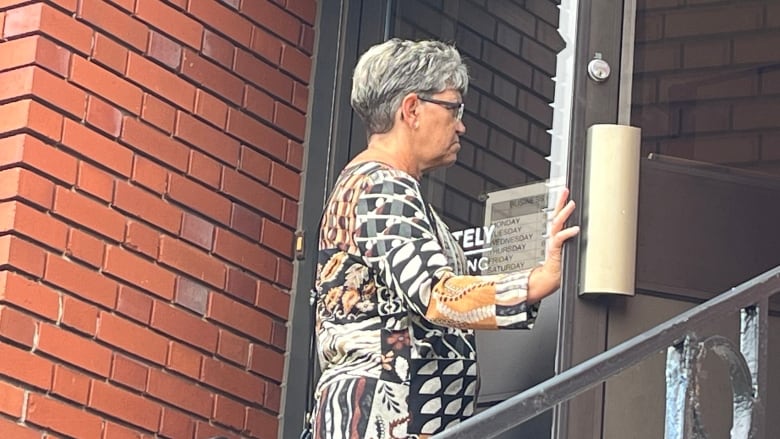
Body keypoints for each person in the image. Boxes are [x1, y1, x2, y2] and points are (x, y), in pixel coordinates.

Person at [311, 38, 579, 439]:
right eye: (453, 107)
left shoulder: (372, 185)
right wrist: (536, 282)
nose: (461, 124)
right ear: (412, 108)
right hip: (384, 418)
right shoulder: (382, 187)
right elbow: (435, 295)